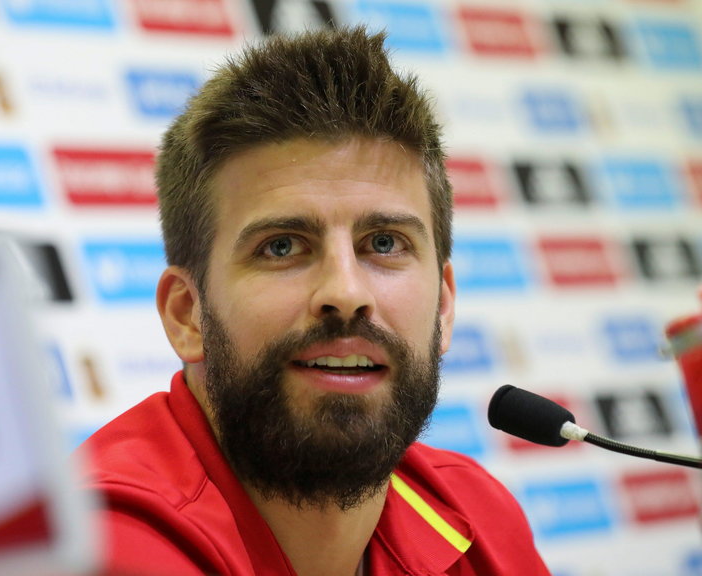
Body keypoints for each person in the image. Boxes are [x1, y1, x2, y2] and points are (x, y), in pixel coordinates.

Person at [76, 26, 551, 576]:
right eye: (281, 247)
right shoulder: (99, 543)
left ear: (444, 307)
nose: (346, 294)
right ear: (187, 314)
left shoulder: (477, 512)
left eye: (384, 244)